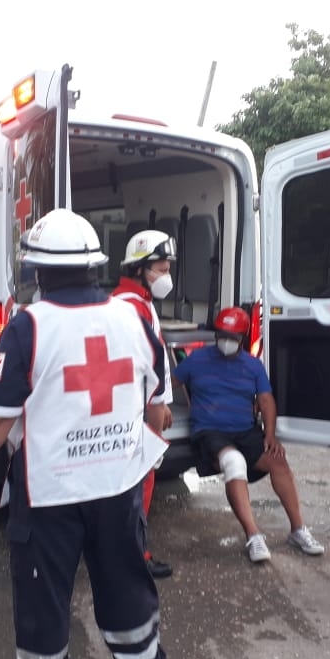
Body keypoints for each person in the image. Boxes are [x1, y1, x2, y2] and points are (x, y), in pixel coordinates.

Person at [0, 209, 169, 659]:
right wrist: (140, 455)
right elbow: (158, 401)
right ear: (95, 267)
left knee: (44, 596)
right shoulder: (133, 318)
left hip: (50, 492)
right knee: (125, 580)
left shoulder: (29, 326)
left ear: (37, 271)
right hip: (117, 487)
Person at [172, 306, 325, 564]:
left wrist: (271, 435)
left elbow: (266, 400)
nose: (226, 341)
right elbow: (167, 383)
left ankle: (298, 530)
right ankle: (253, 535)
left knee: (278, 461)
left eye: (233, 337)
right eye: (222, 335)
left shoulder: (253, 365)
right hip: (210, 431)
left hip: (245, 430)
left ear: (242, 338)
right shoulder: (196, 360)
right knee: (235, 463)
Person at [111, 229, 176, 579]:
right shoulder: (133, 308)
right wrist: (157, 412)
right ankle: (136, 557)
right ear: (140, 268)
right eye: (162, 268)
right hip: (135, 410)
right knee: (139, 486)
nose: (167, 275)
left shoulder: (134, 302)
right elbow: (148, 365)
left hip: (131, 407)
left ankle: (133, 551)